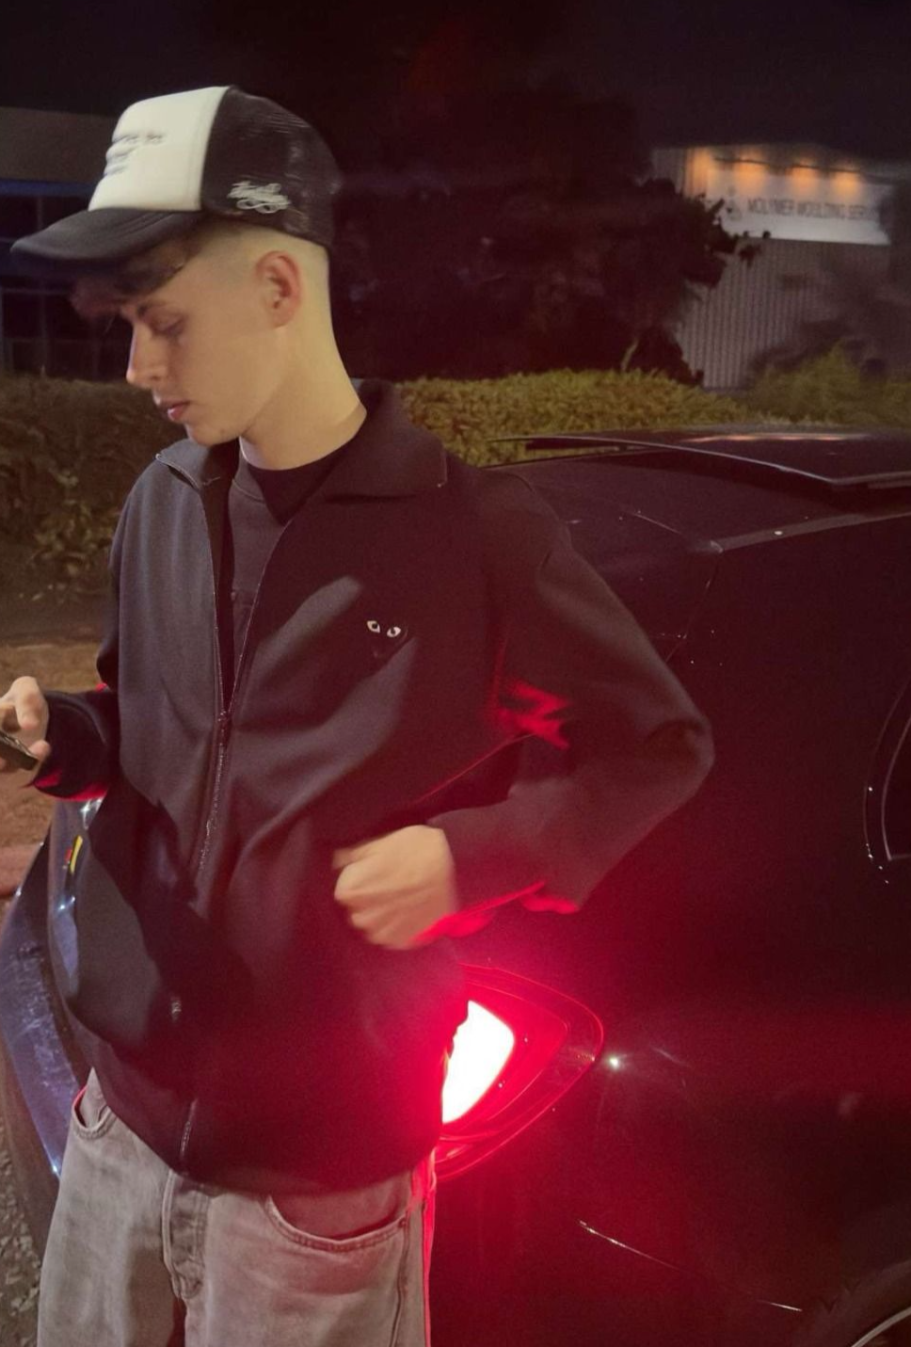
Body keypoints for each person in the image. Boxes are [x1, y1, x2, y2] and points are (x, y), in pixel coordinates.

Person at [1, 85, 713, 1347]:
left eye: (164, 323)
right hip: (121, 1123)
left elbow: (654, 746)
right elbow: (148, 723)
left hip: (318, 1184)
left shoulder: (471, 535)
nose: (137, 368)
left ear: (279, 285)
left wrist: (468, 857)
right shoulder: (161, 498)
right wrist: (62, 735)